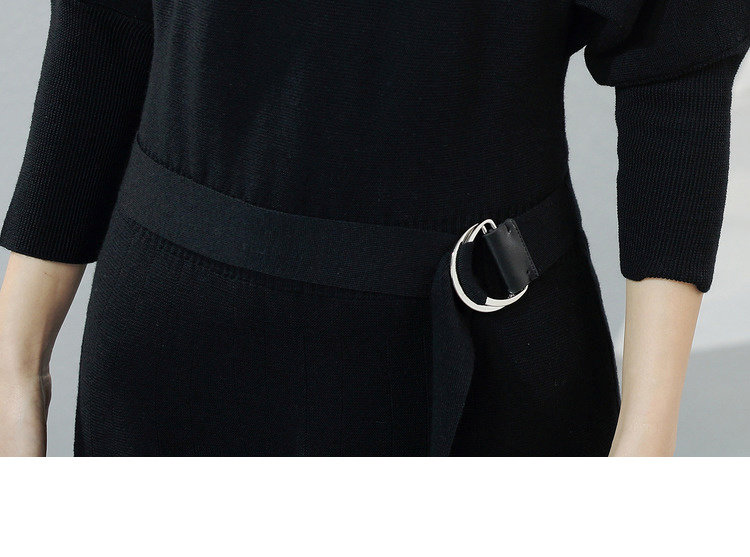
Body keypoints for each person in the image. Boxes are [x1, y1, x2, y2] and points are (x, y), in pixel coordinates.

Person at [0, 0, 748, 457]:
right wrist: (14, 364)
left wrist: (646, 444)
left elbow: (677, 60)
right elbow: (101, 26)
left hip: (478, 374)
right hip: (170, 365)